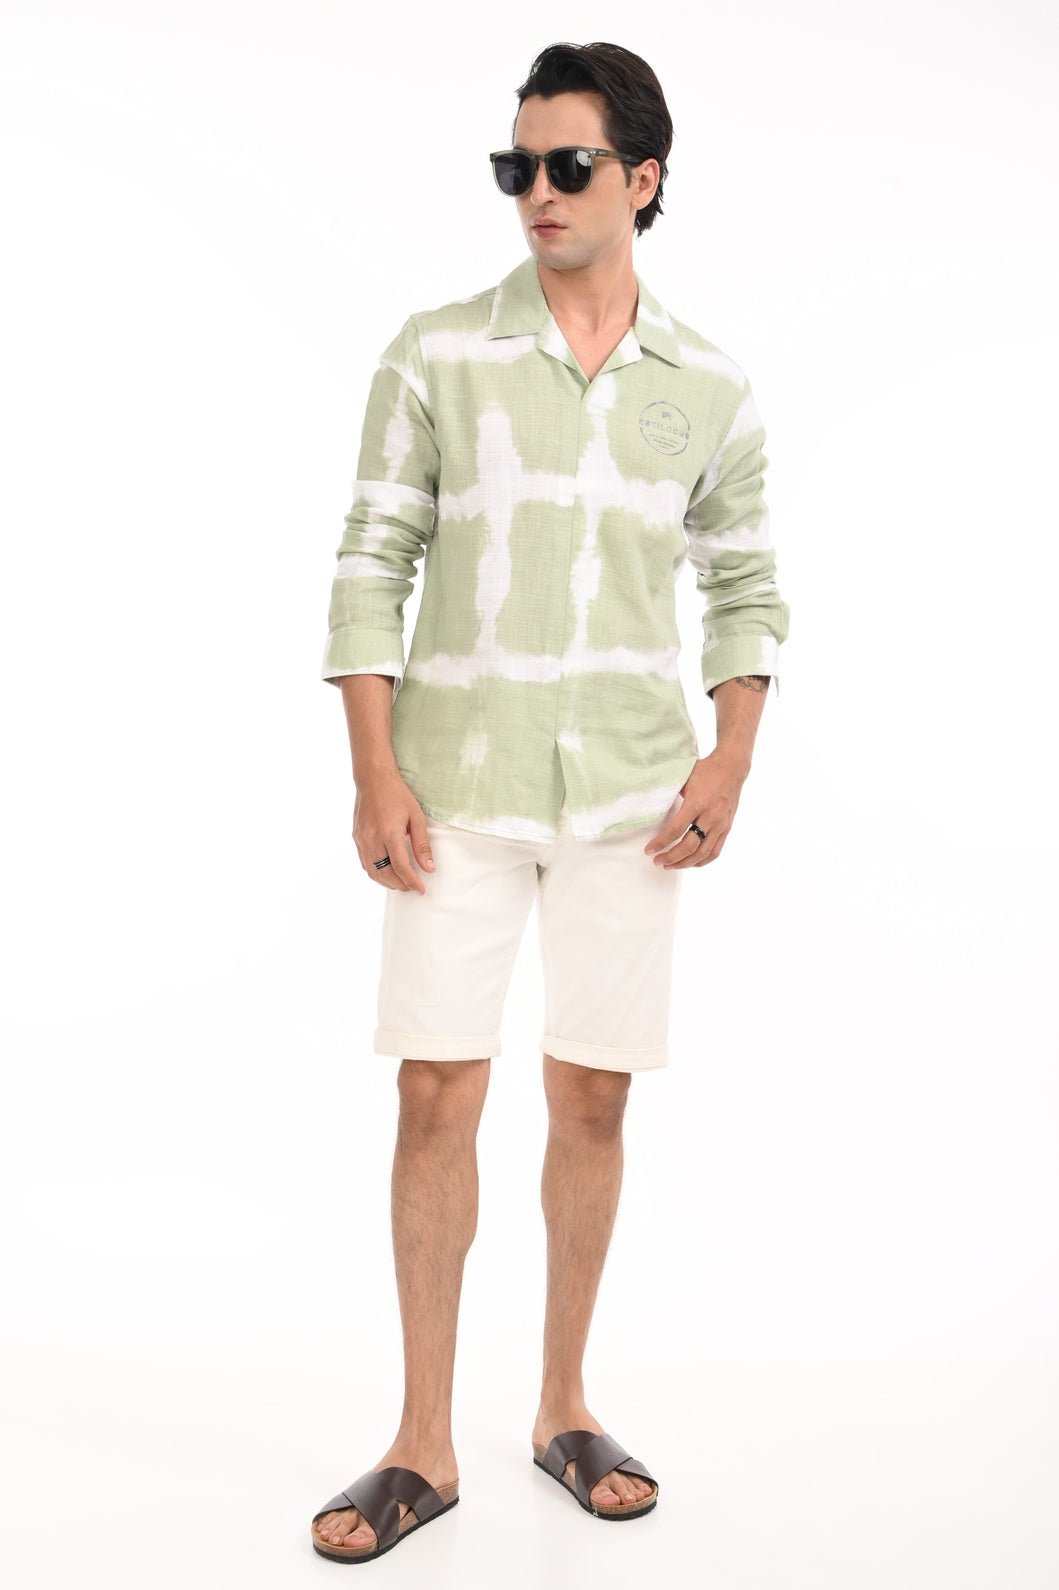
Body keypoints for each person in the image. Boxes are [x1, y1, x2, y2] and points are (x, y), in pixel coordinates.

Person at [310, 40, 790, 1564]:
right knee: (434, 1091)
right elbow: (370, 561)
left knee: (594, 1095)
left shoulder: (708, 384)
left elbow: (746, 586)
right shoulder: (438, 353)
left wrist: (731, 756)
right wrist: (374, 769)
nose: (537, 190)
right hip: (453, 785)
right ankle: (422, 1439)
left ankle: (564, 1405)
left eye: (567, 165)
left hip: (635, 795)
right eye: (515, 165)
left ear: (643, 179)